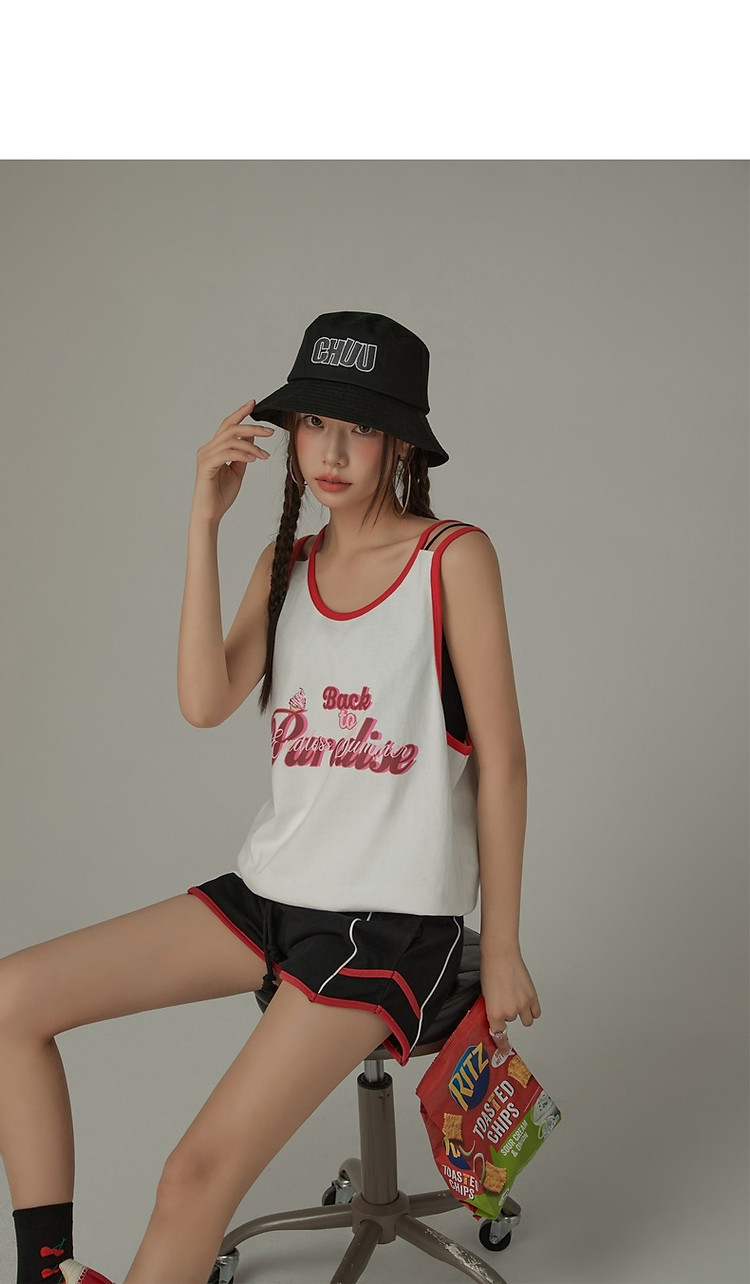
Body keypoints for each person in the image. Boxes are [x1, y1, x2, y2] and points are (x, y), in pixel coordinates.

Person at [0, 310, 541, 1284]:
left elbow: (501, 762)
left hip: (387, 927)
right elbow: (204, 701)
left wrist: (499, 947)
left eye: (360, 428)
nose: (330, 451)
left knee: (190, 1177)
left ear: (402, 443)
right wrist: (203, 522)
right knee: (12, 998)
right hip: (273, 894)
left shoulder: (452, 560)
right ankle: (46, 1271)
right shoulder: (286, 567)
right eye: (313, 423)